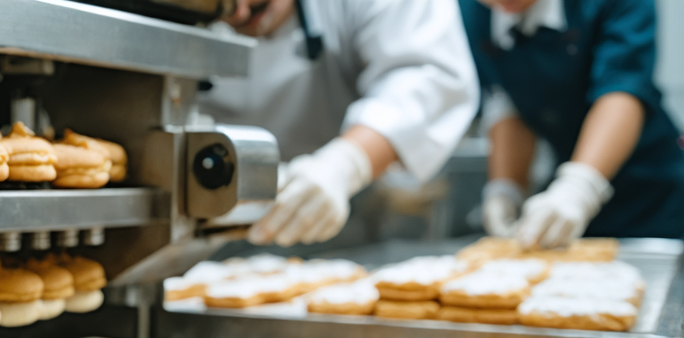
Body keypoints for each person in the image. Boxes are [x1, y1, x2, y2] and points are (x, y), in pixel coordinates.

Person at [199, 0, 479, 247]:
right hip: (203, 230)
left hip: (348, 228)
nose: (241, 11)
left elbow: (426, 79)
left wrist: (345, 166)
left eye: (259, 4)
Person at [464, 0, 684, 246]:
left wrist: (580, 185)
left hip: (652, 193)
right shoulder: (470, 12)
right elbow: (505, 98)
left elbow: (622, 89)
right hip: (563, 188)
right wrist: (506, 189)